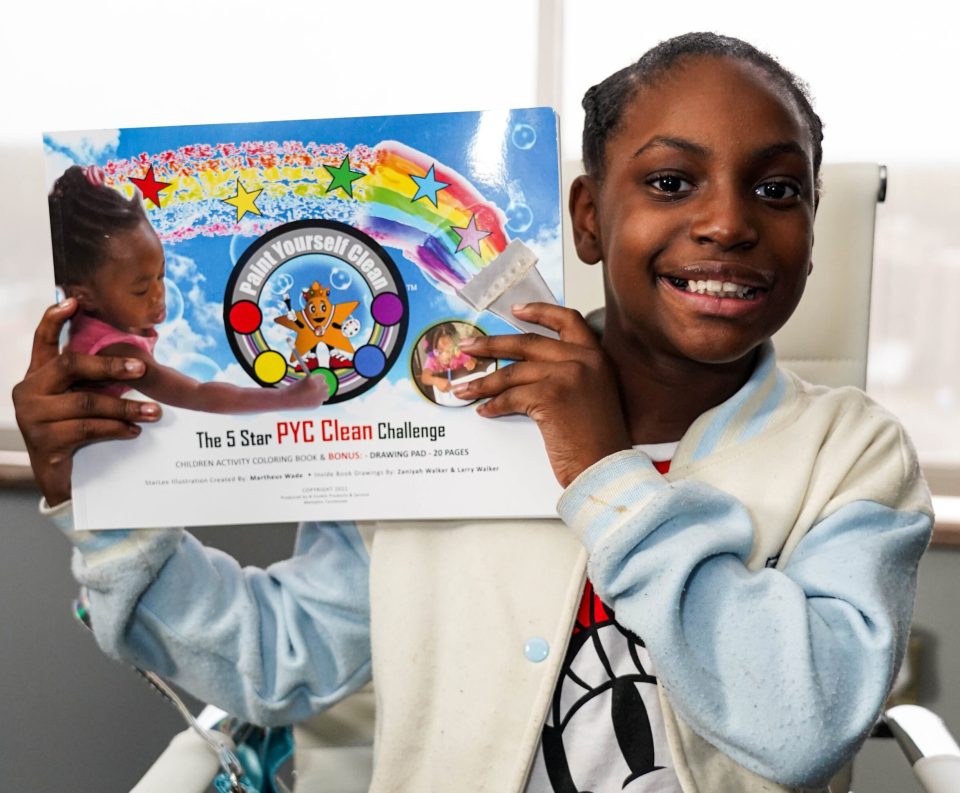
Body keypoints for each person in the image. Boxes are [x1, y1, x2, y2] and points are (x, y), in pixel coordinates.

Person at [14, 32, 933, 793]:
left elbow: (805, 723)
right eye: (668, 182)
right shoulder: (444, 412)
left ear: (814, 229)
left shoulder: (853, 454)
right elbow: (277, 655)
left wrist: (603, 470)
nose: (729, 222)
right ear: (585, 218)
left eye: (777, 189)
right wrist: (106, 497)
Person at [48, 164, 328, 404]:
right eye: (141, 289)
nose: (159, 294)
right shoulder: (118, 353)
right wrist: (287, 398)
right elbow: (198, 393)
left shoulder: (103, 306)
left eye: (161, 274)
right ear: (84, 296)